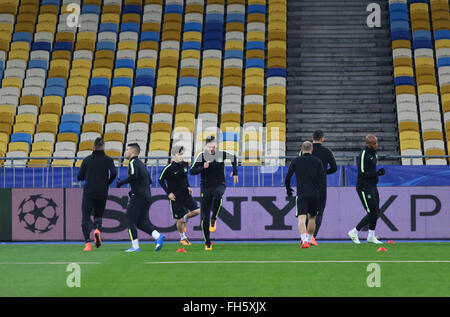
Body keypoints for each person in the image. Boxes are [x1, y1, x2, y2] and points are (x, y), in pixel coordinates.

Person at [190, 136, 239, 250]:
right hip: (206, 187)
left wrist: (235, 172)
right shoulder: (201, 156)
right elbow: (192, 171)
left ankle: (214, 218)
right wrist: (203, 167)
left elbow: (234, 158)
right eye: (209, 146)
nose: (211, 148)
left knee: (218, 194)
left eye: (213, 145)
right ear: (206, 146)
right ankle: (207, 242)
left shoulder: (221, 154)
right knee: (204, 217)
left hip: (219, 184)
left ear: (216, 145)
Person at [116, 143, 165, 252]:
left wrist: (121, 183)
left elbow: (134, 176)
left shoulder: (133, 162)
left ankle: (135, 246)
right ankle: (158, 236)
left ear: (133, 151)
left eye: (127, 149)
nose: (126, 152)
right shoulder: (142, 165)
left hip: (138, 196)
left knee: (130, 221)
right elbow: (149, 180)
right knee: (141, 223)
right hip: (146, 196)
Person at [77, 137, 117, 251]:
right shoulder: (108, 160)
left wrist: (89, 177)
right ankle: (97, 229)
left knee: (85, 217)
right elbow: (114, 172)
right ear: (103, 147)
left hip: (89, 191)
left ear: (93, 147)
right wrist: (107, 182)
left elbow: (79, 176)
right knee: (98, 216)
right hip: (102, 192)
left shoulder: (87, 160)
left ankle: (87, 244)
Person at [285, 141, 326, 249]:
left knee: (301, 218)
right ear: (312, 149)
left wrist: (288, 189)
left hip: (302, 193)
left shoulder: (296, 161)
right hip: (314, 193)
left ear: (301, 149)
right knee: (312, 218)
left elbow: (288, 177)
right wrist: (320, 192)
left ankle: (304, 241)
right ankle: (310, 239)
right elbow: (322, 178)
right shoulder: (318, 162)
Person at [159, 145, 200, 246]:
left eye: (182, 154)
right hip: (175, 197)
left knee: (197, 211)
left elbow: (185, 177)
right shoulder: (168, 168)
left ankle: (186, 218)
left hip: (185, 194)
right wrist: (168, 193)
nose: (182, 156)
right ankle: (183, 238)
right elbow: (160, 180)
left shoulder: (185, 164)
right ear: (173, 156)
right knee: (179, 220)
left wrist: (189, 186)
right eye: (179, 154)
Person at [348, 134, 385, 244]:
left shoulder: (374, 154)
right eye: (373, 143)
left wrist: (377, 175)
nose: (376, 145)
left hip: (373, 185)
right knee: (372, 212)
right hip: (364, 187)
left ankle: (371, 236)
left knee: (376, 211)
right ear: (367, 144)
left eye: (376, 143)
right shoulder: (364, 154)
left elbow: (371, 170)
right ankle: (354, 232)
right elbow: (362, 173)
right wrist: (377, 173)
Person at [308, 130, 337, 245]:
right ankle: (312, 237)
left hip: (307, 184)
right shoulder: (327, 151)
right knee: (318, 213)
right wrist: (325, 172)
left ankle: (305, 236)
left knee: (305, 212)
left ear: (312, 137)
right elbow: (334, 168)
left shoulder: (306, 150)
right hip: (321, 186)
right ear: (322, 139)